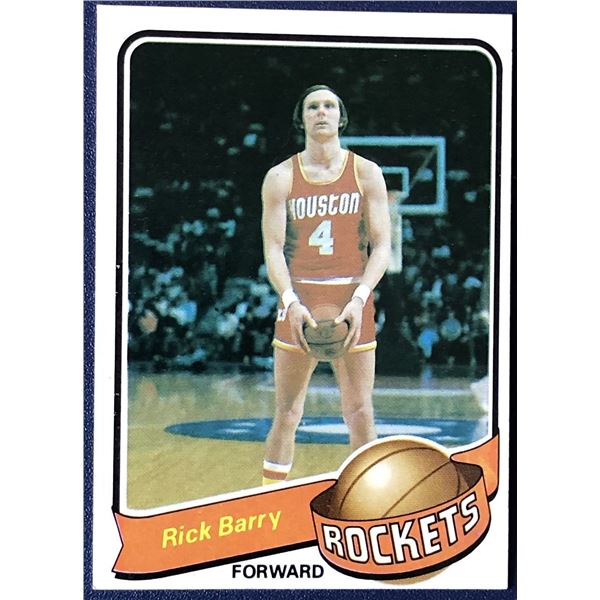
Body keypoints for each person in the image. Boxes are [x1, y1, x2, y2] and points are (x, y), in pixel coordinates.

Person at [260, 84, 392, 485]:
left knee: (360, 411)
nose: (321, 111)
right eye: (313, 106)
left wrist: (359, 299)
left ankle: (368, 498)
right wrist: (290, 301)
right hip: (300, 294)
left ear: (341, 117)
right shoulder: (280, 177)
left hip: (351, 294)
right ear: (301, 119)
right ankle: (270, 499)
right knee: (287, 412)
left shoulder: (366, 172)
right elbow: (273, 249)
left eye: (329, 105)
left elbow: (382, 246)